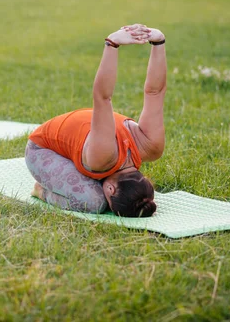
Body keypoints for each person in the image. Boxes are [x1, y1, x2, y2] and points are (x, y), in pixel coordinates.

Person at [25, 23, 166, 217]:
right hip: (41, 150)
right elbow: (102, 97)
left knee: (94, 199)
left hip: (81, 144)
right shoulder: (104, 155)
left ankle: (50, 185)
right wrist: (112, 44)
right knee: (94, 203)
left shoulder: (151, 148)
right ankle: (40, 190)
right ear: (110, 190)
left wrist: (159, 42)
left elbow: (155, 93)